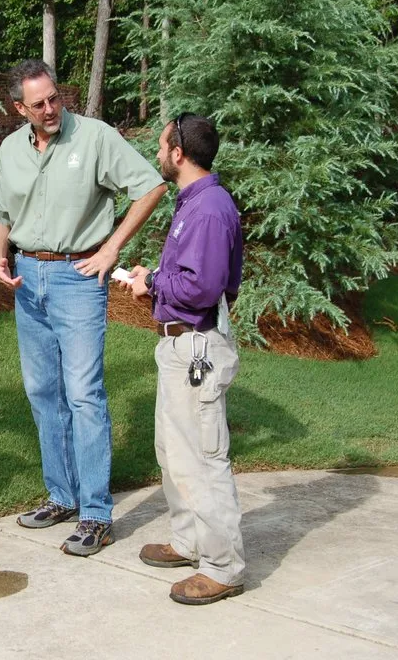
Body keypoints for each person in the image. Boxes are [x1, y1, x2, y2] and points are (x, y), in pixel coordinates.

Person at [0, 60, 166, 556]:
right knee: (44, 392)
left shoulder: (95, 137)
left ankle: (96, 515)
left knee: (85, 394)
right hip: (27, 278)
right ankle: (61, 496)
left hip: (78, 278)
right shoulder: (10, 150)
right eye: (38, 104)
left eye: (55, 98)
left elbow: (151, 186)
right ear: (18, 108)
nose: (50, 109)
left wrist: (111, 251)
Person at [119, 113, 246, 604]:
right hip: (179, 343)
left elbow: (203, 286)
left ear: (178, 153)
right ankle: (190, 541)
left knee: (201, 460)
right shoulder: (193, 201)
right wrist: (151, 280)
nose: (156, 154)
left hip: (197, 347)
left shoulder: (210, 208)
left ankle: (223, 567)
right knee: (173, 453)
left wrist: (151, 282)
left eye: (160, 146)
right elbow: (188, 278)